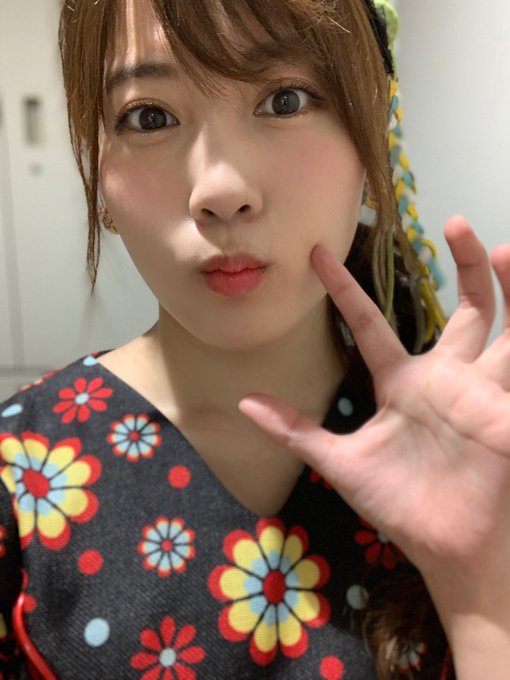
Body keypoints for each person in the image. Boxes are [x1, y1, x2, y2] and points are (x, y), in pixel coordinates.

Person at [1, 0, 509, 678]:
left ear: (371, 144)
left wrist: (481, 591)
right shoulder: (18, 475)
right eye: (149, 116)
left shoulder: (479, 455)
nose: (221, 189)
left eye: (284, 100)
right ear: (97, 175)